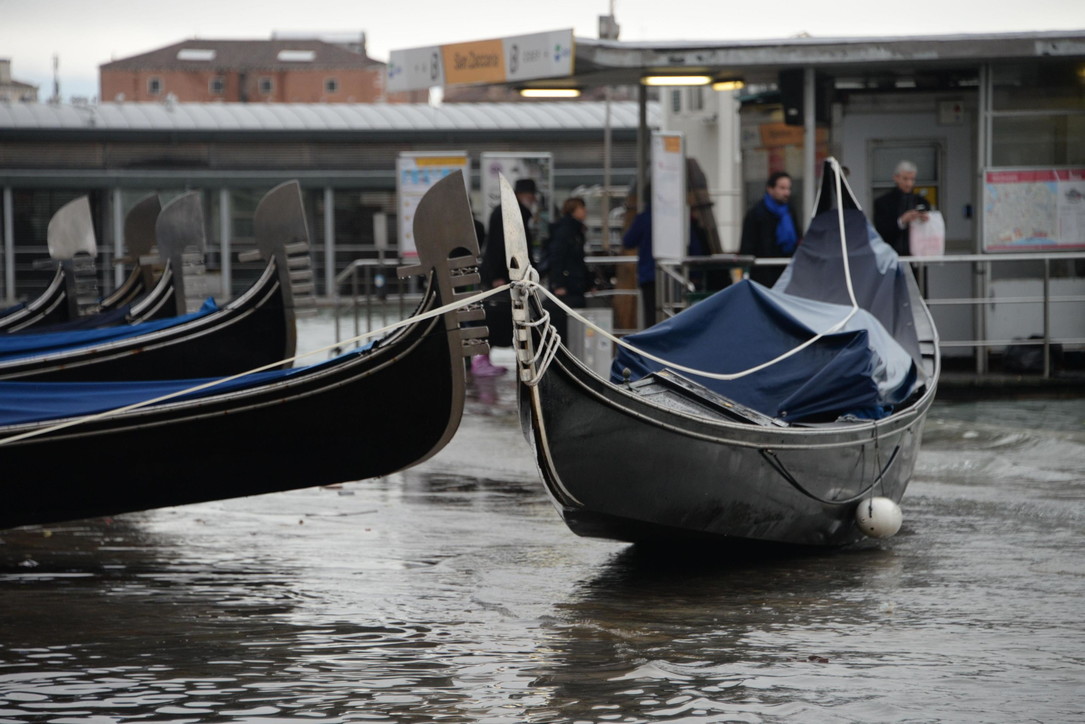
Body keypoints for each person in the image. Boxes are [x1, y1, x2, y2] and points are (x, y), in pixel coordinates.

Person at [473, 177, 537, 377]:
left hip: (506, 274)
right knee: (500, 317)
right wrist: (497, 275)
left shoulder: (508, 211)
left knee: (506, 317)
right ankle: (482, 358)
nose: (532, 199)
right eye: (530, 195)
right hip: (504, 276)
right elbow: (500, 246)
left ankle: (486, 357)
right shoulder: (510, 213)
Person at [739, 171, 801, 287]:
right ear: (770, 189)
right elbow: (747, 245)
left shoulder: (789, 212)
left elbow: (797, 238)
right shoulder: (756, 213)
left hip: (786, 273)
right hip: (763, 274)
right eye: (782, 188)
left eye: (788, 188)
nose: (786, 193)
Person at [873, 160, 931, 256]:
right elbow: (881, 231)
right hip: (892, 255)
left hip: (917, 256)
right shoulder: (883, 202)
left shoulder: (922, 202)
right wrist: (901, 221)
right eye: (905, 179)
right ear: (896, 178)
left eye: (912, 179)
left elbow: (932, 229)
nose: (909, 184)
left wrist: (927, 220)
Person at [547, 197, 591, 308]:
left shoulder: (573, 230)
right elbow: (557, 257)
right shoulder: (567, 231)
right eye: (581, 208)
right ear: (573, 210)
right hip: (569, 283)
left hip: (573, 282)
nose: (585, 210)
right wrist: (559, 284)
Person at [621, 194, 656, 328]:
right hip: (675, 271)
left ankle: (652, 346)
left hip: (648, 273)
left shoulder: (644, 218)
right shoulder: (678, 217)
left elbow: (628, 241)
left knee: (651, 315)